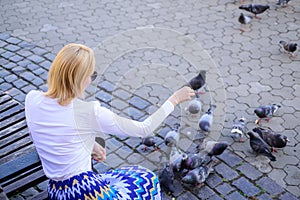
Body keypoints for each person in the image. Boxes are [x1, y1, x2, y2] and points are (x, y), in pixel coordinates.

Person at [25, 43, 195, 200]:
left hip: (57, 192)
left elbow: (55, 130)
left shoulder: (31, 99)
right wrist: (174, 100)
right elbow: (144, 129)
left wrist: (90, 144)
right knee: (146, 178)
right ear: (81, 79)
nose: (92, 79)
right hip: (85, 192)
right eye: (91, 75)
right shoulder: (87, 111)